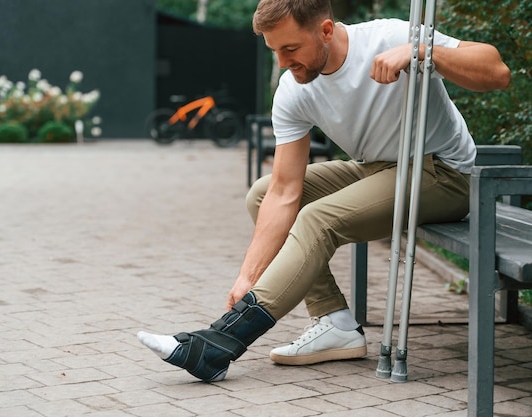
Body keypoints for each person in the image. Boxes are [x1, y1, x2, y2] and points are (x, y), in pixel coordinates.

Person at [137, 0, 511, 382]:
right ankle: (336, 324)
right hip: (376, 168)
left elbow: (497, 72)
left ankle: (220, 343)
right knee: (263, 193)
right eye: (274, 51)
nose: (283, 62)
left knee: (318, 219)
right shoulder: (293, 90)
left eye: (291, 49)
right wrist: (248, 275)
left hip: (444, 173)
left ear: (326, 31)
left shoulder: (392, 37)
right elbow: (284, 190)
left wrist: (422, 52)